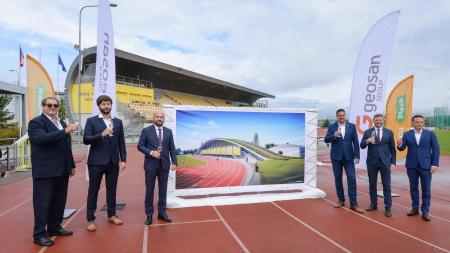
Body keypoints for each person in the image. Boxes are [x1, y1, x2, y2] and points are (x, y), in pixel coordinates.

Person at [28, 97, 77, 246]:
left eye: (55, 105)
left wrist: (71, 164)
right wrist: (65, 131)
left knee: (59, 201)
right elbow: (42, 139)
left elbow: (67, 146)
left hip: (62, 169)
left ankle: (55, 227)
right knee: (42, 203)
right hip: (45, 170)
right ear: (43, 106)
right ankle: (39, 234)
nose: (53, 107)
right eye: (49, 105)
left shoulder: (61, 123)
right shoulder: (36, 122)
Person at [83, 95, 127, 231]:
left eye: (108, 104)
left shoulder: (118, 122)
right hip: (96, 162)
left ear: (111, 105)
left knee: (112, 190)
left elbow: (121, 142)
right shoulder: (91, 121)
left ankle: (112, 214)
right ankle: (90, 219)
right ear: (99, 106)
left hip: (113, 162)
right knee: (93, 191)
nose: (106, 106)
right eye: (103, 104)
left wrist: (123, 159)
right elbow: (86, 139)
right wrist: (101, 134)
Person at [397, 115, 440, 221]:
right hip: (411, 166)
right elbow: (402, 148)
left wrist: (434, 164)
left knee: (426, 189)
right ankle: (415, 208)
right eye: (417, 122)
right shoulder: (407, 134)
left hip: (426, 166)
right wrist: (399, 143)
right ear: (413, 123)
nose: (420, 124)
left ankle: (425, 211)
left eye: (421, 122)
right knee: (413, 188)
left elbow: (436, 150)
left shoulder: (430, 134)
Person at [138, 111, 177, 225]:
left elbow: (172, 149)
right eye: (157, 117)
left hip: (164, 165)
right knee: (149, 191)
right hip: (150, 165)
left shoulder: (168, 132)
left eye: (161, 117)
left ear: (164, 119)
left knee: (163, 190)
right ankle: (149, 215)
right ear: (153, 118)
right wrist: (151, 152)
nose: (159, 118)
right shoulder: (146, 131)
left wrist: (174, 162)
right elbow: (140, 146)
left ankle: (162, 213)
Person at [324, 109, 364, 213]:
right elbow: (326, 139)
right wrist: (334, 135)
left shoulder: (351, 126)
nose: (341, 117)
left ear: (345, 115)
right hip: (336, 157)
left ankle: (353, 203)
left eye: (343, 115)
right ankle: (341, 200)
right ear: (337, 116)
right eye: (339, 115)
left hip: (349, 157)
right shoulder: (332, 127)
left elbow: (355, 141)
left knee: (351, 178)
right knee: (338, 178)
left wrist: (357, 156)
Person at [360, 114, 396, 217]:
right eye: (376, 120)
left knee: (386, 185)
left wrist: (393, 162)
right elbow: (362, 146)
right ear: (373, 121)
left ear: (383, 120)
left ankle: (388, 207)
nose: (378, 121)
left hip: (385, 162)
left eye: (380, 120)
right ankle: (373, 204)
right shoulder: (368, 132)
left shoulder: (389, 132)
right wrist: (367, 141)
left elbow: (393, 149)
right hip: (372, 162)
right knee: (372, 184)